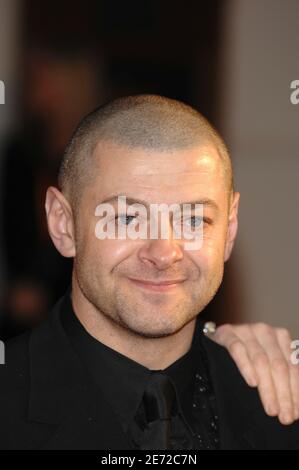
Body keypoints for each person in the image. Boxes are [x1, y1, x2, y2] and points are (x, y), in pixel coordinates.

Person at [0, 95, 298, 449]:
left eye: (193, 220)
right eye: (127, 218)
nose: (164, 253)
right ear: (63, 225)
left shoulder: (279, 406)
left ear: (228, 231)